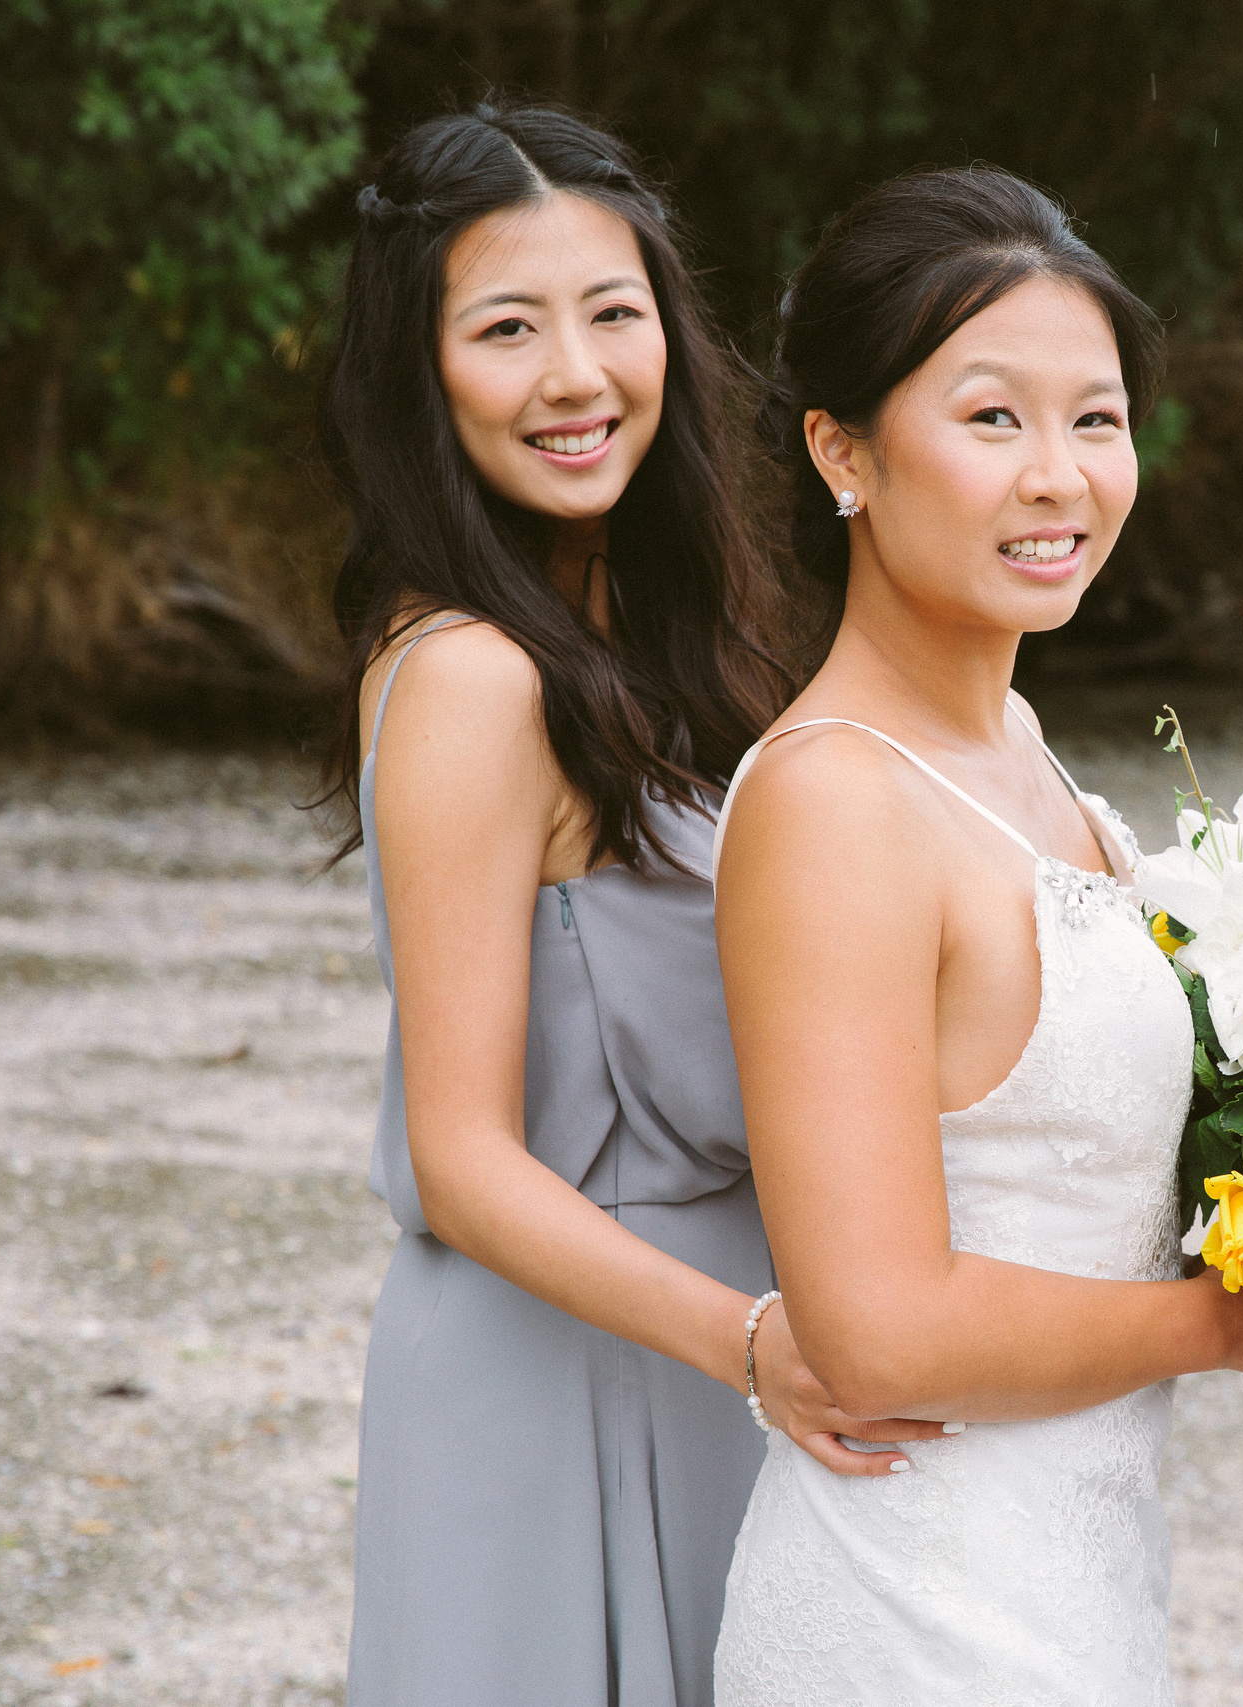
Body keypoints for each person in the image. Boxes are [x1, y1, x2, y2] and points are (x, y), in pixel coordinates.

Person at [708, 166, 1243, 1705]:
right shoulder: (834, 803)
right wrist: (1225, 1324)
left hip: (1075, 1569)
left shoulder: (1020, 751)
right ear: (841, 450)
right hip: (912, 1611)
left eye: (1096, 419)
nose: (1059, 476)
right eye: (992, 418)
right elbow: (875, 1333)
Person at [317, 101, 928, 1707]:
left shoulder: (673, 643)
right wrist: (751, 1343)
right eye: (505, 329)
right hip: (569, 1362)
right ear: (419, 370)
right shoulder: (471, 675)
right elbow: (462, 1158)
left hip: (713, 1344)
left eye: (612, 312)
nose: (576, 376)